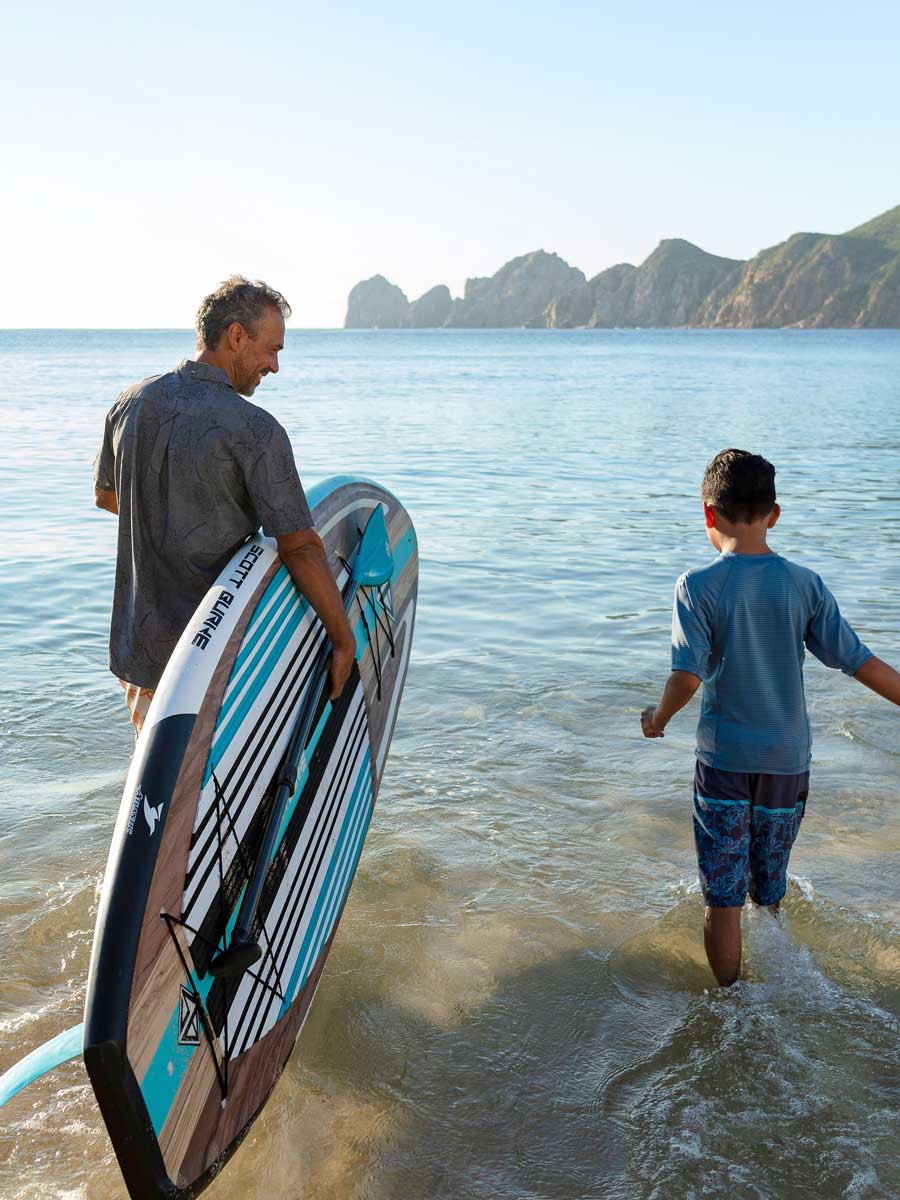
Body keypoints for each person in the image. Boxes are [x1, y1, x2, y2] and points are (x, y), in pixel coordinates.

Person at [640, 448, 900, 986]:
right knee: (768, 887)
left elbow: (687, 677)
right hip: (787, 764)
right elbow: (861, 663)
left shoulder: (696, 586)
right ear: (774, 514)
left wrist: (656, 716)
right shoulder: (804, 583)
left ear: (708, 513)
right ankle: (778, 976)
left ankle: (733, 1007)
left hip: (724, 764)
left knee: (722, 894)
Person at [93, 275, 355, 735]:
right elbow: (299, 548)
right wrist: (342, 639)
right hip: (216, 659)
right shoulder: (254, 429)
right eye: (271, 349)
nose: (274, 366)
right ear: (236, 335)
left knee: (159, 789)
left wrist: (175, 516)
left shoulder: (130, 403)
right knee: (215, 794)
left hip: (141, 654)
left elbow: (107, 497)